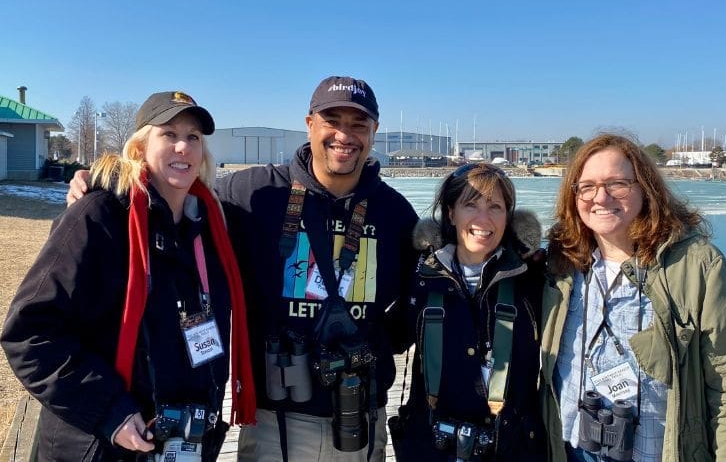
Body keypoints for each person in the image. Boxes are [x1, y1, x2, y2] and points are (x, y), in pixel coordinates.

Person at [67, 76, 419, 462]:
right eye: (332, 120)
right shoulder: (253, 194)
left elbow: (415, 308)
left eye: (358, 125)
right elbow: (171, 199)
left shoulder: (395, 214)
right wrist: (106, 188)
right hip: (275, 422)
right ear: (309, 124)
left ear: (374, 132)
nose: (344, 135)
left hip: (361, 418)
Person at [2, 91, 256, 462]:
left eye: (193, 137)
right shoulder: (100, 216)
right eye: (168, 134)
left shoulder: (210, 228)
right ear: (139, 149)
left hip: (178, 443)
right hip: (99, 445)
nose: (183, 146)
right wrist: (110, 412)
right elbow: (29, 334)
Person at [540, 134, 726, 462]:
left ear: (645, 188)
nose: (600, 197)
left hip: (658, 450)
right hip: (573, 448)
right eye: (586, 186)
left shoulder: (694, 266)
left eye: (617, 183)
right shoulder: (562, 265)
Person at [391, 162, 546, 462]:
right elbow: (387, 336)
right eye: (470, 205)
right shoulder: (421, 277)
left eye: (495, 207)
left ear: (509, 217)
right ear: (451, 212)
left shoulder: (535, 280)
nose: (483, 218)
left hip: (511, 447)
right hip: (432, 447)